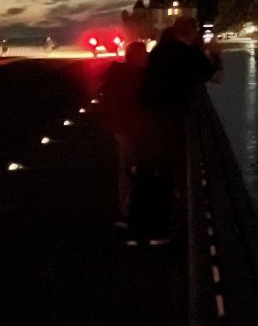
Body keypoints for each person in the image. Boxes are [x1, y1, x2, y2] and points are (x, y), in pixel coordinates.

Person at [131, 16, 222, 246]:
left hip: (144, 119)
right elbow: (218, 77)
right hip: (170, 120)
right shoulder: (191, 55)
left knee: (145, 174)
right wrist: (216, 54)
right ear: (192, 33)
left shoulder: (159, 52)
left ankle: (136, 231)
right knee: (165, 176)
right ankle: (159, 233)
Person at [95, 41, 150, 226]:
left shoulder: (117, 73)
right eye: (144, 55)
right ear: (136, 57)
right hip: (128, 127)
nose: (147, 58)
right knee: (130, 166)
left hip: (120, 127)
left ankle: (128, 208)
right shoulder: (137, 76)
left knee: (128, 166)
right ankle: (128, 210)